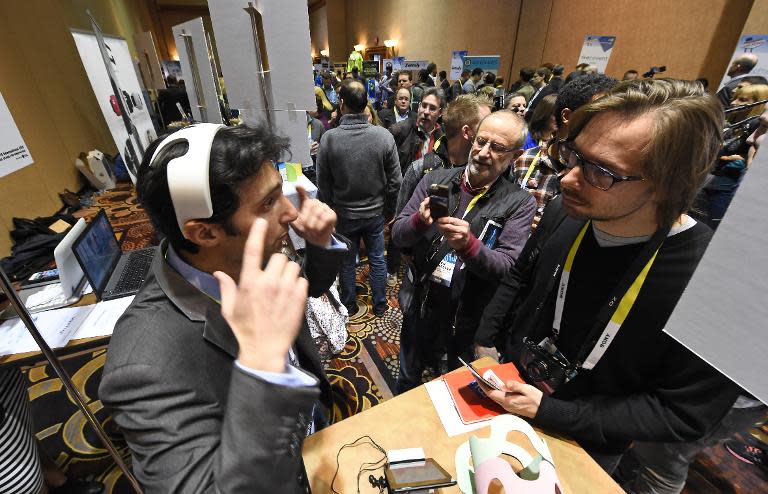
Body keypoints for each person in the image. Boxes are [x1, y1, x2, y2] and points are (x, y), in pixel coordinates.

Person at [475, 79, 741, 474]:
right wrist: (486, 341)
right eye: (573, 155)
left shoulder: (718, 283)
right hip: (513, 391)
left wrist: (554, 412)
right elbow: (520, 278)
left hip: (590, 444)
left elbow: (683, 413)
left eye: (601, 172)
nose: (567, 179)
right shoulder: (565, 211)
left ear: (667, 185)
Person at [100, 123, 348, 493]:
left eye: (280, 193)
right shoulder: (141, 365)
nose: (290, 214)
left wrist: (320, 245)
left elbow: (301, 288)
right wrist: (263, 367)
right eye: (268, 203)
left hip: (313, 438)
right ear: (205, 233)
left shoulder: (243, 249)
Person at [392, 110, 536, 393]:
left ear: (515, 155)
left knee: (452, 389)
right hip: (420, 302)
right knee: (408, 376)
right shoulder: (437, 179)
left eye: (497, 148)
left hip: (465, 317)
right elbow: (398, 235)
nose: (483, 153)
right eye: (481, 142)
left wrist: (469, 246)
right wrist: (419, 221)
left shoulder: (520, 203)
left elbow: (507, 268)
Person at [316, 80, 402, 316]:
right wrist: (390, 211)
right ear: (366, 104)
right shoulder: (383, 136)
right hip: (375, 212)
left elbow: (322, 184)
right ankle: (381, 304)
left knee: (346, 262)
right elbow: (396, 182)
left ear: (341, 104)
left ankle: (349, 305)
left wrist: (330, 208)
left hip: (343, 213)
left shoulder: (329, 138)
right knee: (376, 258)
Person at [509, 73, 618, 228]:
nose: (607, 126)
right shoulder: (526, 160)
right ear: (567, 116)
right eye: (597, 115)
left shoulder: (604, 178)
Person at [396, 94, 495, 218]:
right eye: (485, 124)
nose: (494, 130)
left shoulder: (489, 170)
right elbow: (400, 226)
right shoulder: (420, 169)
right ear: (466, 132)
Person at [389, 87, 446, 176]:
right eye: (424, 106)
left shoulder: (443, 139)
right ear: (419, 106)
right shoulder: (399, 130)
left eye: (432, 108)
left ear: (440, 112)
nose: (426, 112)